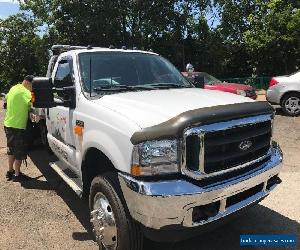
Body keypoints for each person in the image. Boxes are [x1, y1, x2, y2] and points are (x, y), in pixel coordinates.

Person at [4, 75, 34, 181]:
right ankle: (17, 175)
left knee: (11, 150)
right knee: (19, 152)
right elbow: (33, 104)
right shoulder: (26, 93)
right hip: (18, 127)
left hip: (8, 124)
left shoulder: (14, 87)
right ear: (29, 84)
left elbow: (6, 98)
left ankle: (10, 171)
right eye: (32, 86)